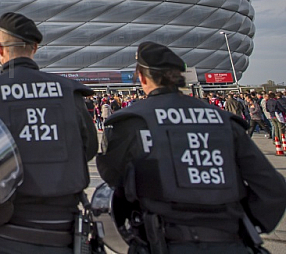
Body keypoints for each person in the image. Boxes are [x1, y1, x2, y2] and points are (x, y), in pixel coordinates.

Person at [97, 42, 286, 253]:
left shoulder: (132, 121)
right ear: (180, 78)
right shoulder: (224, 121)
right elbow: (272, 188)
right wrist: (240, 223)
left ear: (141, 77)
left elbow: (112, 177)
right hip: (231, 242)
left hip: (164, 241)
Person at [0, 12, 98, 254]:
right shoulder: (67, 91)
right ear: (35, 48)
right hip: (63, 232)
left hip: (5, 233)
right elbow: (89, 148)